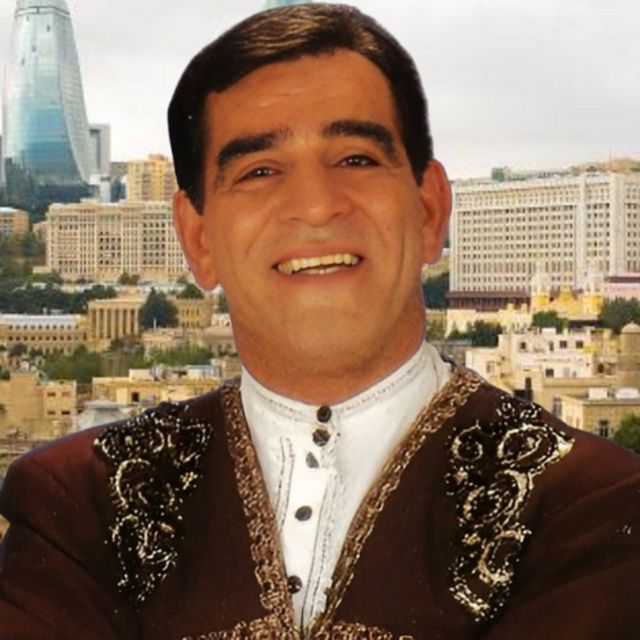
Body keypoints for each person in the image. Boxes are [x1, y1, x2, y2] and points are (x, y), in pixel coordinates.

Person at [1, 4, 639, 639]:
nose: (314, 205)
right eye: (259, 171)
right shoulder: (80, 503)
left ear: (429, 210)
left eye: (356, 159)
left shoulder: (591, 503)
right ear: (198, 239)